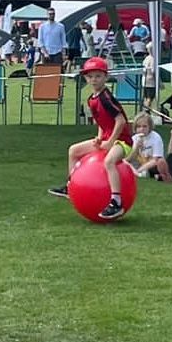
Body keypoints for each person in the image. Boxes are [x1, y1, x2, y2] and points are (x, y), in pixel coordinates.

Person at [48, 56, 133, 220]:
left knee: (109, 161)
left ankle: (116, 201)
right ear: (86, 78)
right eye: (90, 76)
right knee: (73, 150)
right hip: (107, 139)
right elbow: (102, 122)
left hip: (122, 142)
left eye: (98, 76)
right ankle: (70, 185)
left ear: (105, 77)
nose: (94, 80)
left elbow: (121, 120)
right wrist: (99, 138)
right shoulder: (91, 100)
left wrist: (110, 142)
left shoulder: (106, 97)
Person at [126, 112, 169, 180]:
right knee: (125, 163)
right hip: (138, 164)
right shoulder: (134, 138)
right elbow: (128, 159)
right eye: (139, 126)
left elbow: (156, 159)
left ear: (150, 127)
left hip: (152, 165)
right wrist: (136, 148)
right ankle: (138, 173)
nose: (142, 129)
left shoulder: (156, 137)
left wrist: (139, 170)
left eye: (144, 126)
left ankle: (140, 173)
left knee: (159, 163)